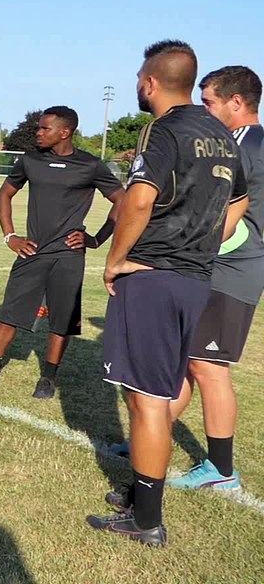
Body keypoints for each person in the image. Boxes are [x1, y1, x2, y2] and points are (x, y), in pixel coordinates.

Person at [87, 40, 247, 546]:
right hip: (197, 279)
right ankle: (139, 495)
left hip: (154, 276)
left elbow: (139, 200)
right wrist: (201, 245)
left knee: (147, 400)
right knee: (165, 386)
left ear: (150, 82)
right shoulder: (223, 136)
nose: (138, 84)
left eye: (140, 77)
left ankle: (146, 521)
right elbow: (237, 202)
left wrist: (116, 261)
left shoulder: (164, 129)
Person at [0, 106, 123, 399]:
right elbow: (5, 193)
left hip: (68, 256)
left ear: (65, 132)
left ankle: (48, 378)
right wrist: (10, 236)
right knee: (8, 315)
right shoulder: (30, 161)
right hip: (32, 252)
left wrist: (96, 239)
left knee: (62, 321)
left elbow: (122, 200)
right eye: (38, 127)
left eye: (44, 128)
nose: (37, 133)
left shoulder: (90, 165)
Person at [163, 66, 264, 491]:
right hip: (227, 266)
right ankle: (151, 438)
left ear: (236, 103)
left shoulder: (242, 144)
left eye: (208, 102)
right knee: (190, 361)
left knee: (208, 367)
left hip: (231, 268)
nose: (203, 111)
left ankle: (222, 470)